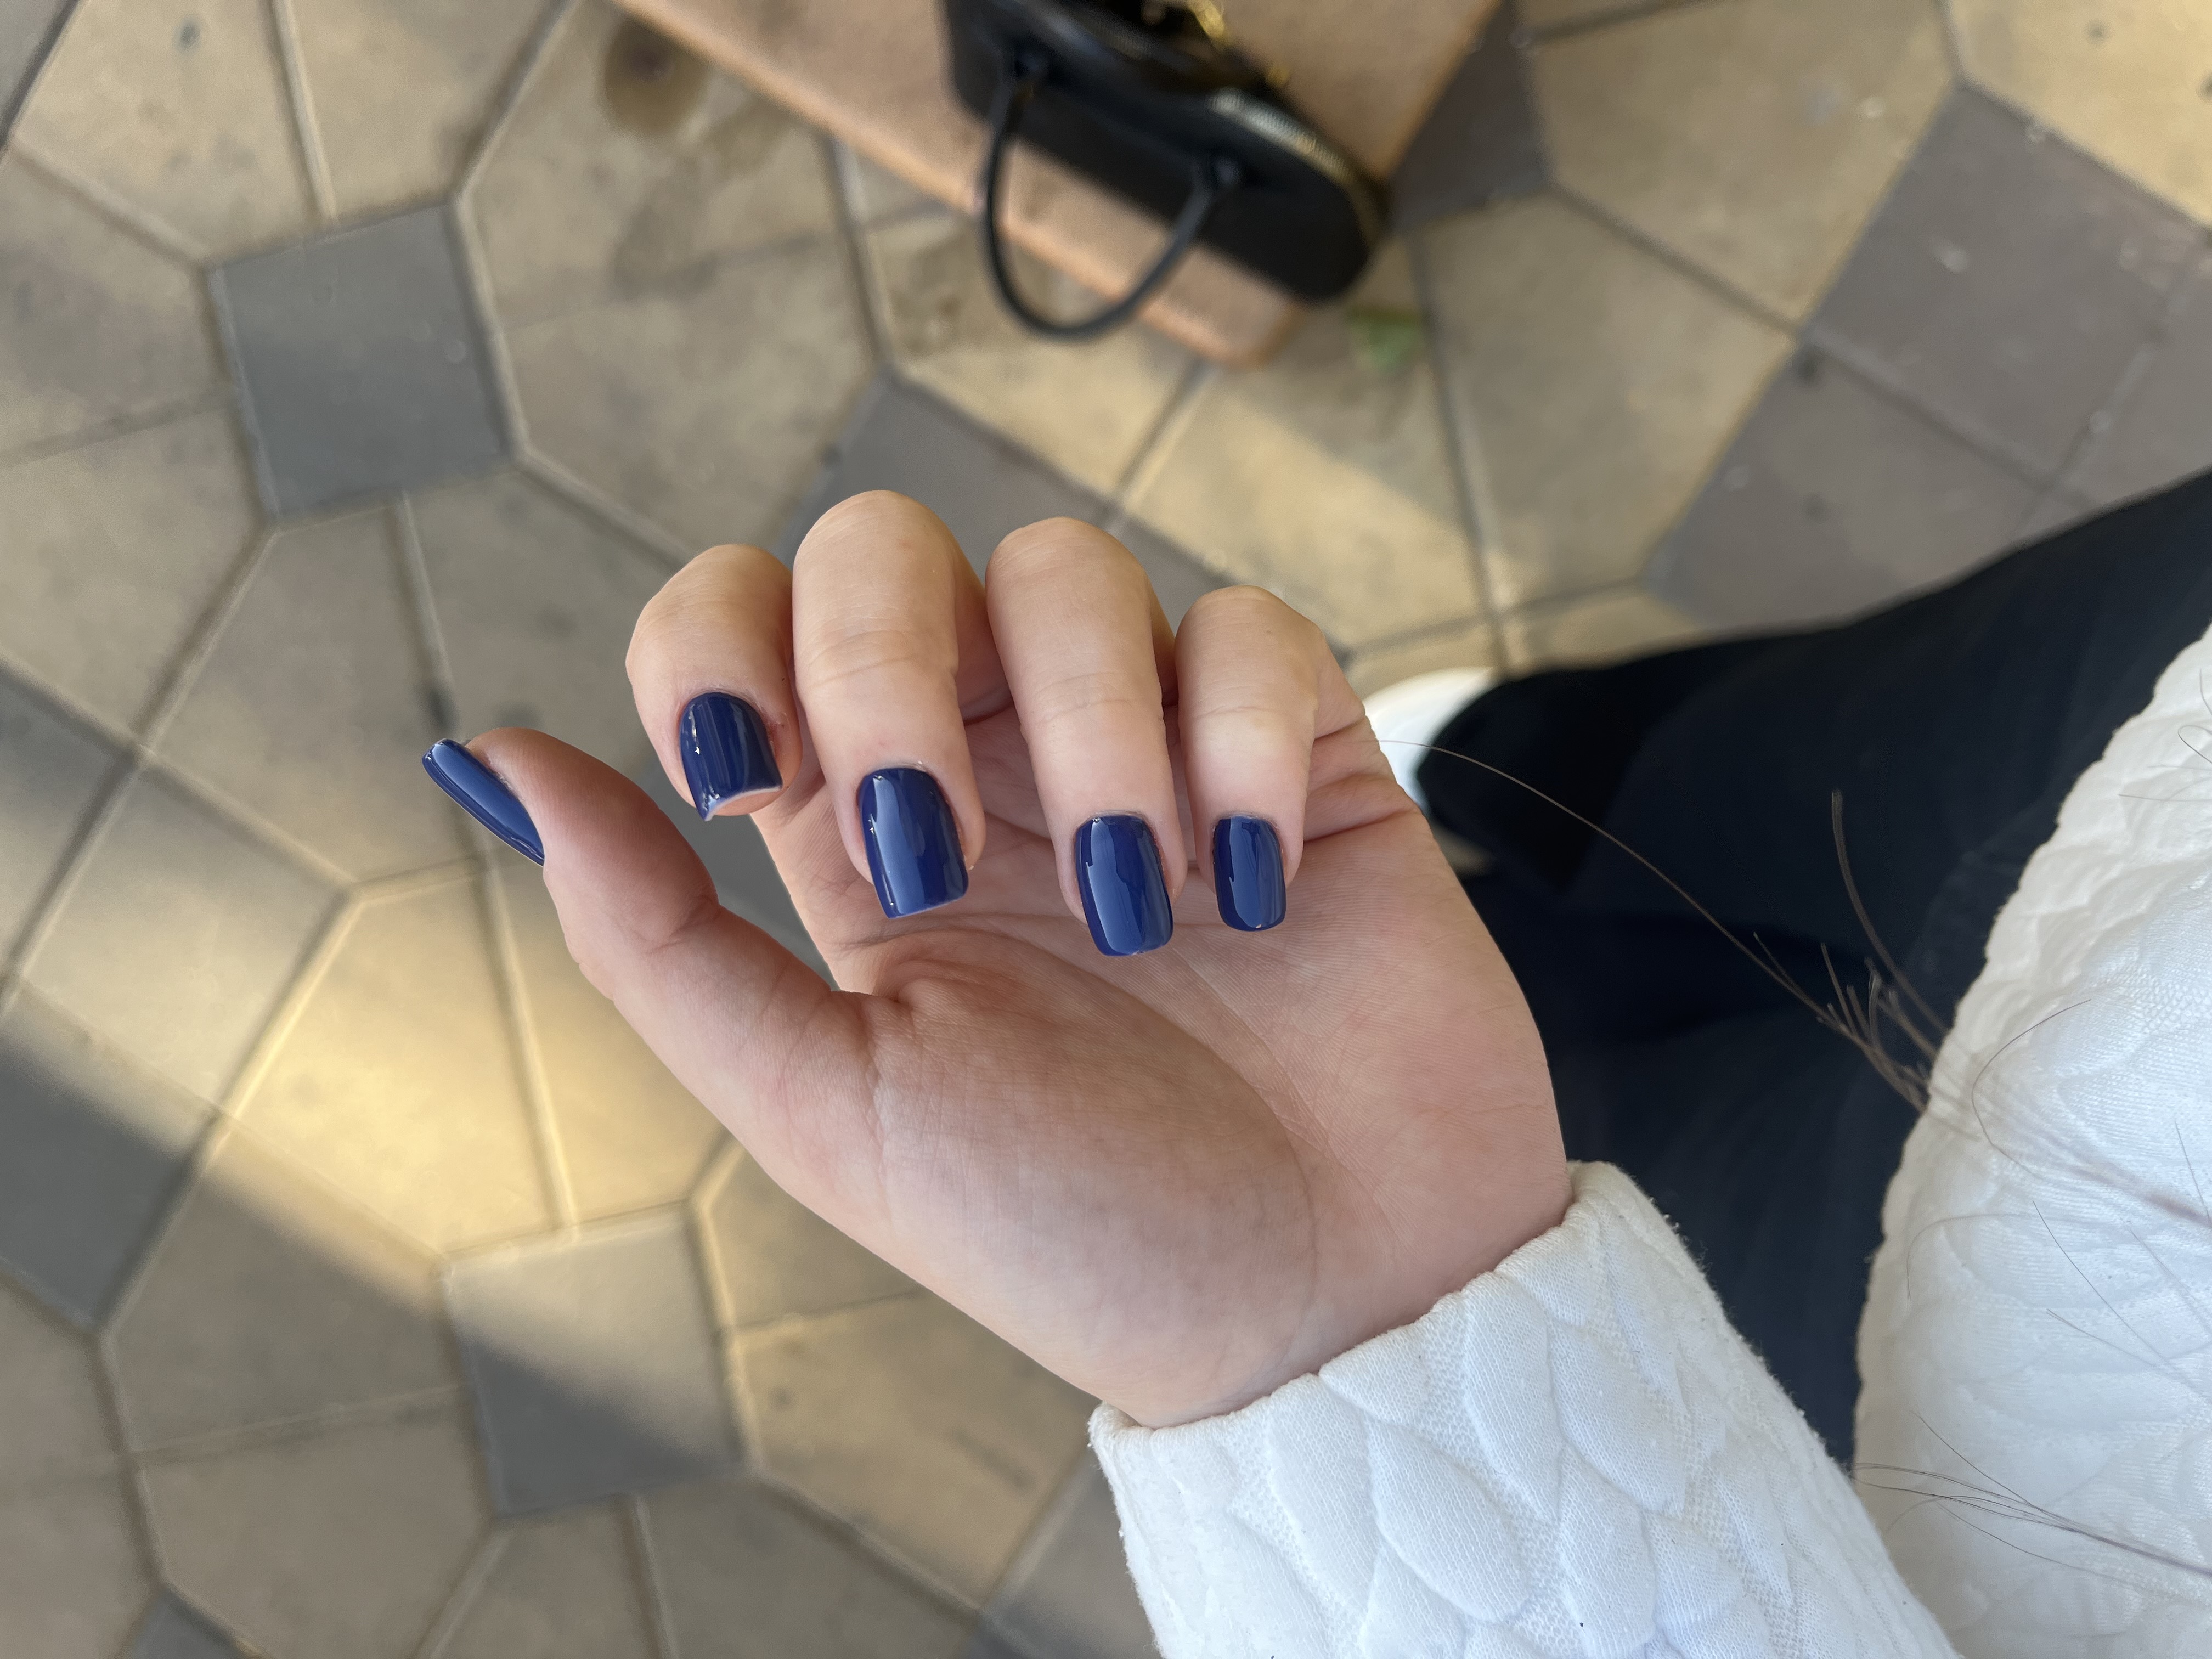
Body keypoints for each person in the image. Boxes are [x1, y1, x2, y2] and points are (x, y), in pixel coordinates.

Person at [421, 481, 2212, 1656]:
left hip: (2036, 1466)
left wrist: (1379, 1356)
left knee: (1592, 1101)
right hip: (2174, 738)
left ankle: (1491, 789)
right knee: (1739, 758)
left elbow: (1448, 1284)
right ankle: (1507, 754)